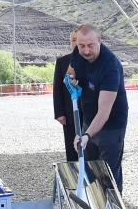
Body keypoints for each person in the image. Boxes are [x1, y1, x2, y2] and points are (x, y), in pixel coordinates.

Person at [67, 23, 128, 193]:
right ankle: (92, 203)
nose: (86, 51)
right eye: (81, 46)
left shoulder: (110, 67)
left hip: (111, 124)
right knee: (89, 169)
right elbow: (70, 71)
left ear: (99, 40)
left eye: (91, 45)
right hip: (88, 117)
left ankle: (113, 206)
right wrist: (70, 80)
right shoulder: (79, 53)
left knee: (108, 172)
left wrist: (86, 135)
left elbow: (104, 112)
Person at [53, 29, 80, 161]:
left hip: (90, 112)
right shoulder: (62, 61)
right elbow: (57, 89)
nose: (76, 43)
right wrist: (59, 113)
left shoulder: (92, 60)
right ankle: (73, 171)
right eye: (74, 40)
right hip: (69, 114)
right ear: (70, 43)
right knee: (71, 148)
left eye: (78, 40)